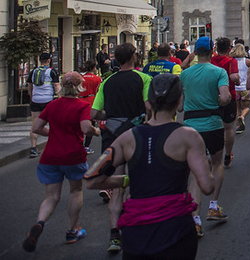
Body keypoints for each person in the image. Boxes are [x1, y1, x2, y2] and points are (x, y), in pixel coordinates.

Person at [85, 73, 215, 260]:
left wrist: (126, 180)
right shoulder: (189, 137)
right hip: (176, 229)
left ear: (148, 103)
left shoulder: (127, 138)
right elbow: (207, 186)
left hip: (136, 232)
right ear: (179, 101)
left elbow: (91, 178)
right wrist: (207, 165)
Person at [21, 72, 93, 252]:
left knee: (51, 197)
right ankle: (72, 230)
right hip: (73, 156)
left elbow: (36, 127)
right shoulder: (81, 106)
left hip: (50, 156)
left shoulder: (53, 105)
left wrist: (52, 133)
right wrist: (96, 131)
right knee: (76, 191)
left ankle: (40, 223)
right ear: (79, 86)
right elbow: (86, 128)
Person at [91, 43, 151, 254]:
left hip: (113, 138)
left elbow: (94, 113)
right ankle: (139, 230)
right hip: (136, 136)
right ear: (133, 57)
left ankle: (114, 235)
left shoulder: (106, 81)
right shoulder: (143, 78)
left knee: (116, 188)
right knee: (140, 184)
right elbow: (149, 106)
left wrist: (110, 116)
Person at [178, 36, 231, 235]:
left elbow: (180, 105)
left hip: (190, 125)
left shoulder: (185, 74)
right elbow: (225, 97)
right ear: (212, 51)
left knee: (195, 171)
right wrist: (219, 102)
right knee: (216, 163)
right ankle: (214, 206)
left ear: (196, 53)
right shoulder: (218, 72)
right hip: (212, 123)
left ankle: (195, 218)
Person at [210, 37, 240, 168]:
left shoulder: (211, 60)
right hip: (229, 96)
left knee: (214, 127)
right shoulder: (231, 61)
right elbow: (234, 77)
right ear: (229, 49)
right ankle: (228, 154)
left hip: (212, 97)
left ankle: (213, 154)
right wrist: (238, 80)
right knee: (228, 128)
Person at [28, 52, 60, 158]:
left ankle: (33, 148)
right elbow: (56, 86)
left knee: (35, 125)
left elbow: (30, 87)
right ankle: (54, 146)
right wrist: (60, 98)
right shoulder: (51, 71)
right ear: (49, 60)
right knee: (53, 123)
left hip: (35, 100)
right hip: (48, 101)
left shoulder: (33, 71)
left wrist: (32, 97)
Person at [79, 62, 102, 154]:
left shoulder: (81, 78)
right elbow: (99, 91)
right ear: (93, 68)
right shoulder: (97, 79)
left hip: (81, 101)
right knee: (91, 124)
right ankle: (86, 146)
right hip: (92, 101)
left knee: (80, 123)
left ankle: (79, 144)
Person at [232, 43, 250, 134]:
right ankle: (242, 117)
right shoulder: (247, 61)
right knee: (247, 107)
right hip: (244, 87)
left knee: (237, 108)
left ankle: (238, 126)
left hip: (235, 88)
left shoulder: (232, 61)